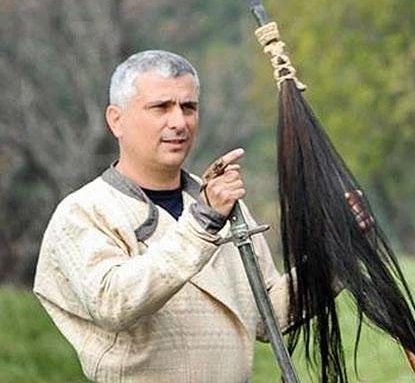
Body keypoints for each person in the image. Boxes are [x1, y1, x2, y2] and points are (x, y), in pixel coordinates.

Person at [34, 50, 290, 382]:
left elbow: (268, 313)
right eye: (161, 107)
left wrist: (344, 253)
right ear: (116, 120)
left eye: (189, 108)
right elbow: (114, 303)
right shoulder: (84, 211)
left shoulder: (217, 201)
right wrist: (203, 224)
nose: (179, 122)